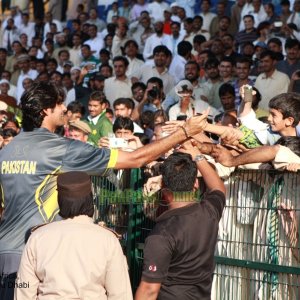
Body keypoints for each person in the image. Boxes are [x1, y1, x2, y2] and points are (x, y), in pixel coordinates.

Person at [0, 82, 208, 300]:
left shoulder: (7, 149)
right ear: (45, 110)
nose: (64, 109)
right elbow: (135, 158)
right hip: (33, 255)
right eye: (59, 103)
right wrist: (185, 132)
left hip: (5, 251)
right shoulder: (60, 148)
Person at [15, 171, 133, 299]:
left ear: (60, 200)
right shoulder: (108, 240)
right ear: (90, 198)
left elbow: (23, 289)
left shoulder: (37, 238)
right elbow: (120, 294)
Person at [135, 147, 226, 300]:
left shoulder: (161, 234)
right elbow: (219, 188)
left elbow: (149, 290)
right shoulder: (209, 212)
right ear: (196, 183)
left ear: (163, 186)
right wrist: (198, 155)